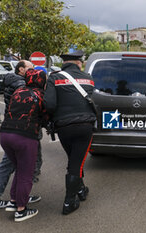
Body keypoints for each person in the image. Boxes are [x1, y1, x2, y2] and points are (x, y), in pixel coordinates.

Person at [0, 60, 41, 211]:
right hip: (22, 131)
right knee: (15, 167)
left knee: (24, 166)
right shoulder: (20, 85)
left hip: (14, 129)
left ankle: (20, 196)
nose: (33, 71)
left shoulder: (14, 81)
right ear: (21, 69)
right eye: (30, 68)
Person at [44, 50, 96, 215]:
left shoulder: (54, 77)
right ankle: (69, 201)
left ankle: (80, 189)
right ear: (79, 62)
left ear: (64, 63)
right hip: (85, 126)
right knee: (76, 162)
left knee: (74, 159)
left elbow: (50, 105)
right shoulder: (88, 78)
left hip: (64, 127)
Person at [0, 69, 47, 222]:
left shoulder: (19, 90)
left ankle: (14, 201)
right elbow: (46, 115)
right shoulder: (41, 95)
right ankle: (21, 210)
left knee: (20, 170)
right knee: (27, 173)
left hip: (5, 134)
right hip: (25, 136)